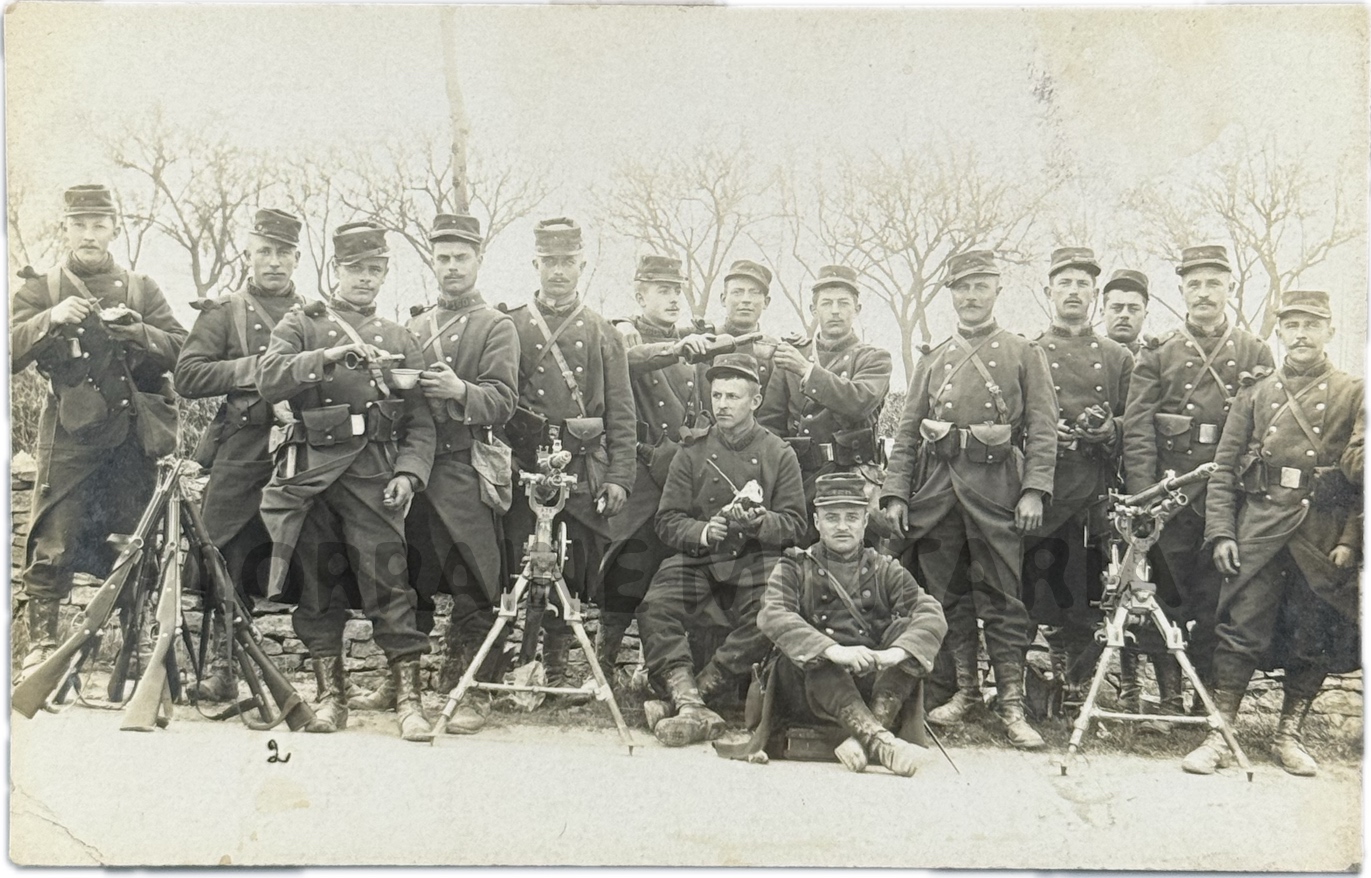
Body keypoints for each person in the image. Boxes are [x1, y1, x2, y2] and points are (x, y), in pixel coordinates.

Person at [257, 220, 437, 741]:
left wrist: (409, 471)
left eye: (374, 269)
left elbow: (420, 420)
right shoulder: (301, 325)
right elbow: (270, 379)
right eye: (355, 268)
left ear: (384, 274)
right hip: (311, 473)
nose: (365, 278)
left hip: (374, 474)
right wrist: (327, 357)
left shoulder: (402, 337)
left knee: (390, 582)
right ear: (336, 270)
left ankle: (409, 701)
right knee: (317, 583)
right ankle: (330, 698)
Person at [879, 249, 1057, 750]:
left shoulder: (1025, 353)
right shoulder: (934, 359)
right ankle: (965, 690)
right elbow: (907, 433)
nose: (971, 296)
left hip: (998, 490)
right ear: (951, 295)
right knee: (947, 596)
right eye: (962, 288)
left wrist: (1034, 490)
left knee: (1004, 599)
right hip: (938, 494)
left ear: (997, 291)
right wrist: (896, 494)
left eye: (981, 286)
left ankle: (1012, 706)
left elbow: (1042, 429)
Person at [350, 214, 519, 735]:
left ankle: (473, 686)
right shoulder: (413, 327)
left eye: (460, 258)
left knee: (474, 579)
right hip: (412, 467)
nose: (451, 268)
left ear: (477, 261)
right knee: (409, 578)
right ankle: (404, 683)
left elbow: (506, 401)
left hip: (466, 469)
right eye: (442, 258)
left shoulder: (497, 325)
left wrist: (462, 392)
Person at [1182, 290, 1362, 776]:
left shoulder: (1353, 391)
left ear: (1330, 331)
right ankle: (1219, 736)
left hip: (1320, 535)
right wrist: (1222, 533)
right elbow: (1222, 470)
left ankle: (1289, 735)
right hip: (1258, 529)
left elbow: (1359, 479)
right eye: (1292, 325)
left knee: (1313, 633)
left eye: (1311, 324)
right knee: (1240, 630)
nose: (1301, 334)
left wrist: (1350, 539)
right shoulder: (1254, 392)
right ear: (1279, 332)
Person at [11, 184, 187, 680]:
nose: (89, 235)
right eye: (80, 224)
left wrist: (139, 332)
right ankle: (41, 649)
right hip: (70, 436)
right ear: (65, 227)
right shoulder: (39, 289)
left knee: (131, 539)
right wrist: (50, 318)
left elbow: (181, 350)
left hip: (132, 439)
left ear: (115, 227)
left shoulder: (140, 289)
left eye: (99, 224)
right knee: (53, 538)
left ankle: (131, 647)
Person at [1121, 244, 1273, 705]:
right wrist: (1145, 500)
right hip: (1171, 498)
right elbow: (1138, 431)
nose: (1204, 293)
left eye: (1213, 283)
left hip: (1229, 500)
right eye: (1195, 285)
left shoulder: (1255, 350)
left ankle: (1204, 703)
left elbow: (1266, 427)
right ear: (1183, 291)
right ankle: (1168, 697)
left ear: (1230, 287)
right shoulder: (1159, 353)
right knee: (1163, 597)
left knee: (1217, 602)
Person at [636, 353, 808, 746]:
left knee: (771, 611)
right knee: (656, 603)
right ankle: (688, 698)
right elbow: (667, 520)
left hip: (757, 561)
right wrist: (703, 531)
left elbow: (797, 525)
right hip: (701, 559)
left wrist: (762, 523)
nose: (723, 405)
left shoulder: (779, 453)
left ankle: (695, 695)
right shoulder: (692, 451)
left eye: (733, 396)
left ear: (756, 401)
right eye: (716, 396)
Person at [174, 208, 307, 700]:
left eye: (283, 253)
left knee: (310, 556)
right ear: (248, 255)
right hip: (239, 451)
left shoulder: (316, 316)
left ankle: (319, 677)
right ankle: (223, 668)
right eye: (264, 252)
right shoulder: (223, 312)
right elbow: (188, 376)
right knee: (223, 557)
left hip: (300, 453)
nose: (274, 262)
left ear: (297, 258)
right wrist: (258, 368)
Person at [503, 218, 636, 693]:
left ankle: (556, 669)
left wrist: (619, 477)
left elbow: (622, 412)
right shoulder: (512, 325)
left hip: (580, 468)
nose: (558, 271)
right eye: (550, 262)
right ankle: (508, 666)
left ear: (581, 264)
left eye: (567, 262)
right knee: (517, 566)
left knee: (571, 571)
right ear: (535, 264)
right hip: (524, 463)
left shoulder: (603, 332)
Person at [757, 472, 948, 776]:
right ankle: (881, 742)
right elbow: (773, 614)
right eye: (832, 517)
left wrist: (895, 654)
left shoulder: (885, 570)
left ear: (864, 522)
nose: (842, 526)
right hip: (809, 690)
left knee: (905, 633)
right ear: (817, 522)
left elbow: (930, 611)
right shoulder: (794, 566)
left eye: (852, 517)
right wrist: (832, 650)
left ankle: (866, 739)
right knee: (812, 653)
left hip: (870, 688)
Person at [1021, 248, 1132, 700]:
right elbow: (1011, 420)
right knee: (1031, 588)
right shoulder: (1028, 351)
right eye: (1064, 282)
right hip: (1041, 491)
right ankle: (1018, 689)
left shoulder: (1117, 355)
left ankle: (1075, 687)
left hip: (1091, 492)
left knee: (1086, 595)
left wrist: (1110, 430)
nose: (1073, 291)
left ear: (1094, 294)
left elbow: (1135, 422)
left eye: (1083, 284)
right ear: (1049, 292)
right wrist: (1044, 436)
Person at [601, 254, 713, 677]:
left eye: (676, 290)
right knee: (626, 571)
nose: (672, 299)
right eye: (662, 290)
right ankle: (604, 667)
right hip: (641, 471)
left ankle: (658, 671)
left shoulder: (690, 343)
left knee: (672, 576)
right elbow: (629, 359)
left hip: (679, 475)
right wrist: (673, 347)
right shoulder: (623, 338)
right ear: (639, 294)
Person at [758, 264, 891, 512]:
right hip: (800, 478)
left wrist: (807, 371)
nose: (835, 311)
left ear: (857, 309)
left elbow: (859, 403)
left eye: (844, 303)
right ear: (813, 309)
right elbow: (770, 424)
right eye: (827, 303)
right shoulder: (792, 356)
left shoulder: (874, 358)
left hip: (854, 479)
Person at [1101, 268, 1151, 353]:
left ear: (1145, 315)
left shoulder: (1155, 361)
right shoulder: (1086, 356)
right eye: (1117, 308)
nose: (1124, 314)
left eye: (1133, 309)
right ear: (1102, 313)